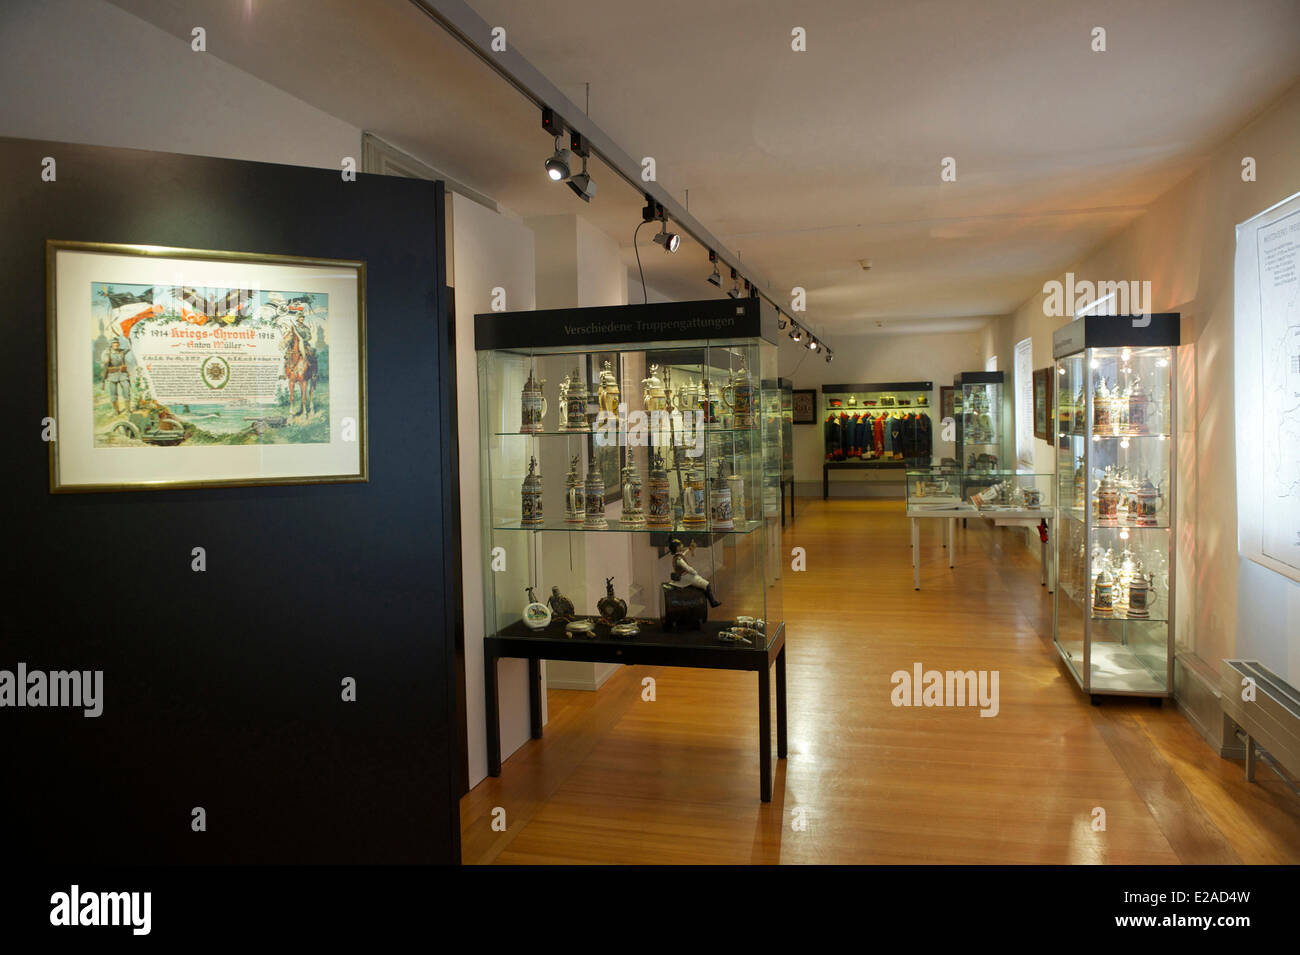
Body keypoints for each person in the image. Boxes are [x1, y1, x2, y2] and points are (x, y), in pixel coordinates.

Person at [668, 538, 721, 607]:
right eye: (680, 544)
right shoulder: (679, 559)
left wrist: (689, 549)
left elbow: (683, 554)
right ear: (677, 547)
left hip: (685, 576)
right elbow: (687, 568)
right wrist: (694, 572)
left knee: (702, 583)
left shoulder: (677, 557)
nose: (682, 545)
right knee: (706, 584)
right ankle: (713, 602)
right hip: (686, 577)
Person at [100, 337, 133, 415]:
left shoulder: (121, 351)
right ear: (111, 344)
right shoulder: (107, 352)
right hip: (112, 375)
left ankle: (128, 410)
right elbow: (104, 361)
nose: (116, 345)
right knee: (113, 394)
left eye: (117, 343)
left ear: (119, 344)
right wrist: (107, 356)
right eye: (114, 343)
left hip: (122, 374)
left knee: (126, 390)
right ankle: (116, 411)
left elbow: (129, 347)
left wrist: (129, 339)